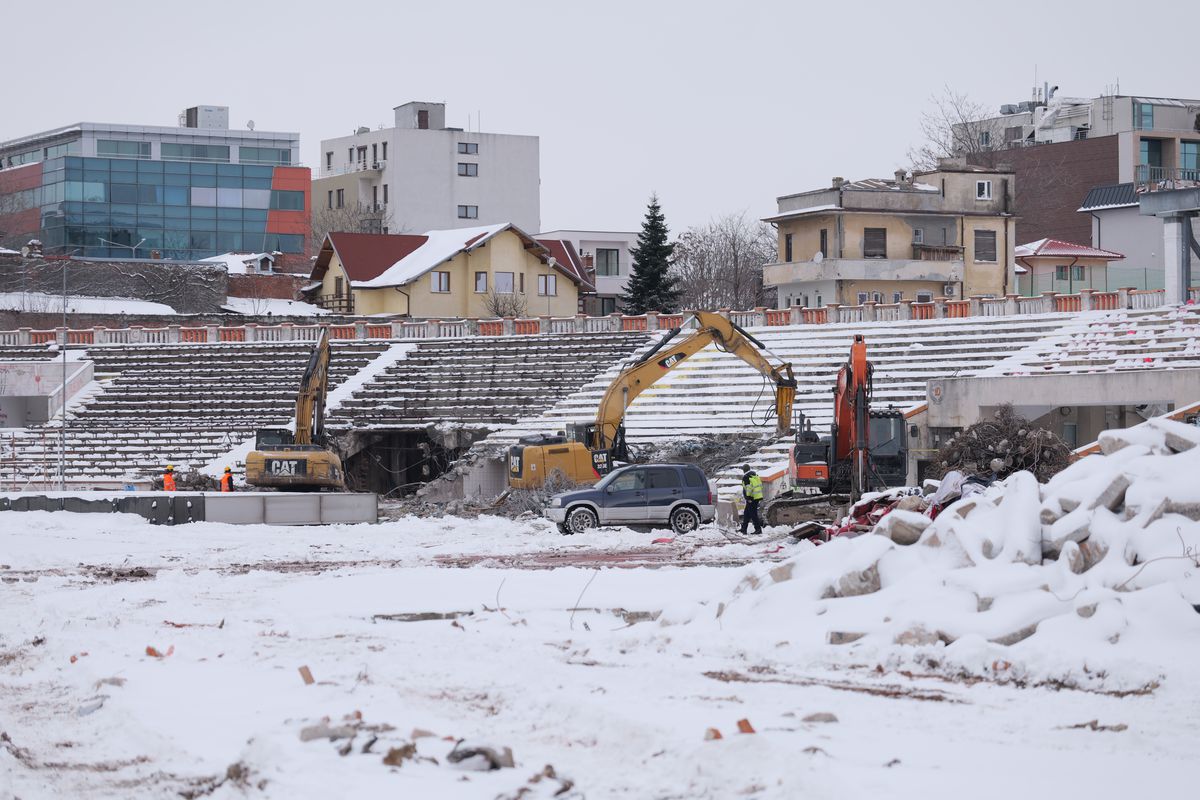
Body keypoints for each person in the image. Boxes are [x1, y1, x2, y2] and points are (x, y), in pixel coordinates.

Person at [740, 464, 764, 535]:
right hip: (756, 497)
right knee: (746, 513)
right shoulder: (754, 475)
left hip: (751, 498)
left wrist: (748, 498)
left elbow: (749, 488)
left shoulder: (746, 477)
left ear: (744, 470)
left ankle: (758, 529)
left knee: (753, 514)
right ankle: (743, 529)